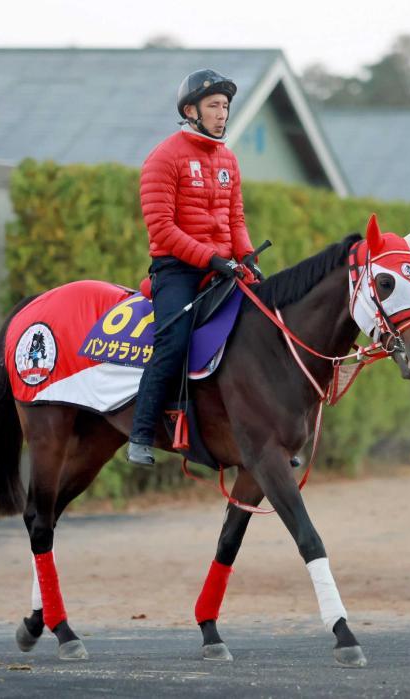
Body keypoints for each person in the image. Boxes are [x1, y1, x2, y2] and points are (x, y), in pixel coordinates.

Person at [128, 69, 263, 466]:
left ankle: (267, 432)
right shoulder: (162, 158)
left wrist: (247, 255)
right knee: (174, 340)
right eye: (214, 106)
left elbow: (235, 218)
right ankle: (141, 433)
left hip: (225, 266)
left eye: (225, 107)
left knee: (266, 326)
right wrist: (212, 259)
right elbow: (163, 230)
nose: (222, 115)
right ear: (191, 110)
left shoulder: (228, 159)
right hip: (178, 271)